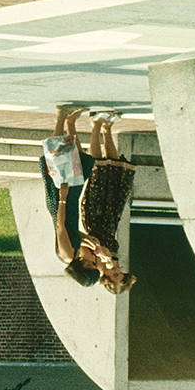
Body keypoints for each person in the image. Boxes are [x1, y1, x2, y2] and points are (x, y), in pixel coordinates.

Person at [76, 110, 138, 295]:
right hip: (111, 215)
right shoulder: (116, 261)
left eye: (116, 275)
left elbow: (86, 244)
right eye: (121, 273)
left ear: (107, 279)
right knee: (117, 170)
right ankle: (107, 129)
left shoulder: (96, 265)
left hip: (97, 216)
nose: (117, 271)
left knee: (98, 168)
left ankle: (95, 125)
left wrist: (102, 255)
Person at [40, 106, 99, 287]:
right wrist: (88, 239)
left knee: (58, 160)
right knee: (82, 165)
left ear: (81, 269)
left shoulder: (67, 255)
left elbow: (61, 228)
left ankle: (61, 116)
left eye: (89, 266)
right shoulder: (74, 254)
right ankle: (70, 122)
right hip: (67, 206)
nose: (90, 262)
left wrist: (62, 198)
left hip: (61, 205)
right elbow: (72, 231)